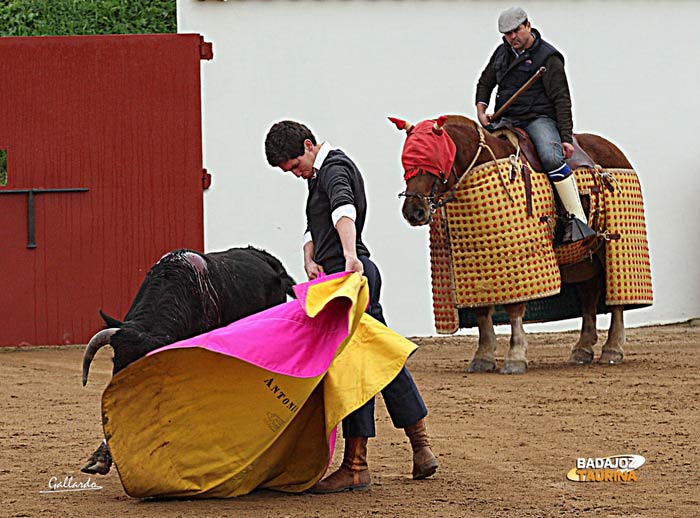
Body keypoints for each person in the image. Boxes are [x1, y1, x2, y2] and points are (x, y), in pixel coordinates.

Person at [265, 120, 438, 492]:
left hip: (351, 278)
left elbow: (343, 209)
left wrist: (348, 256)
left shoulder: (334, 168)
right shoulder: (319, 175)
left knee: (358, 364)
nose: (297, 174)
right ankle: (416, 448)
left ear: (309, 146)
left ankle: (359, 465)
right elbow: (317, 225)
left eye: (296, 166)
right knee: (376, 358)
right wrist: (309, 256)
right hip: (342, 279)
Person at [475, 6, 595, 243]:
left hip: (537, 118)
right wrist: (481, 109)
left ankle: (576, 217)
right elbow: (485, 81)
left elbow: (562, 100)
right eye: (507, 34)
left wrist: (565, 137)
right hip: (505, 119)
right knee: (478, 150)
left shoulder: (548, 57)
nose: (512, 38)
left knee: (551, 157)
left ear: (528, 25)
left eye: (516, 31)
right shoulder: (501, 53)